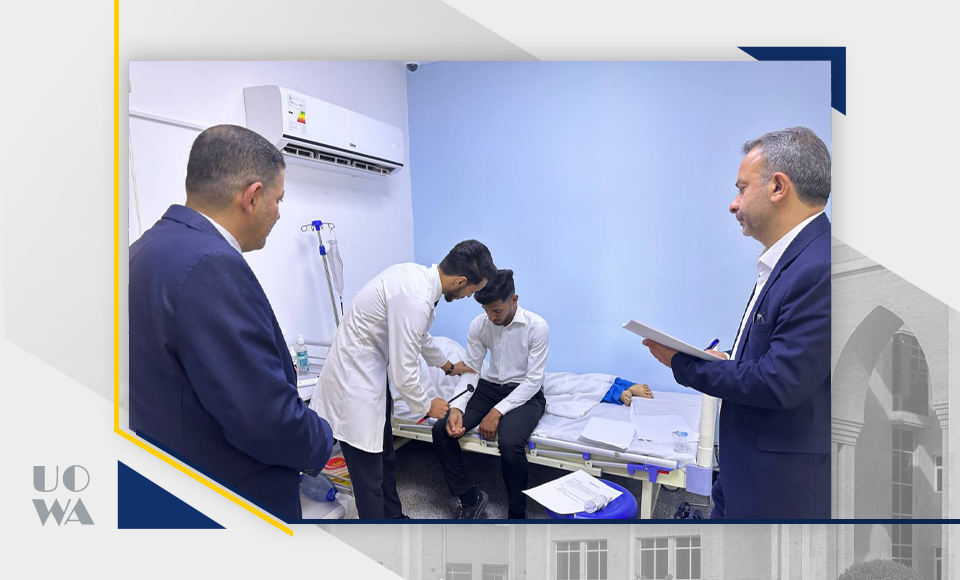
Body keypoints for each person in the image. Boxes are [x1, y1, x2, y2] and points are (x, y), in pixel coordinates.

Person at [129, 124, 333, 521]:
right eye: (278, 199)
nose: (279, 212)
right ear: (252, 197)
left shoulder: (144, 251)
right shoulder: (211, 265)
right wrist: (322, 438)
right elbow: (264, 419)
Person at [643, 126, 831, 519]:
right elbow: (776, 354)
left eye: (742, 189)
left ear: (777, 187)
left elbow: (779, 381)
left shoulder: (819, 268)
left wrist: (685, 364)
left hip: (777, 490)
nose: (733, 204)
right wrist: (727, 359)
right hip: (744, 473)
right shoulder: (790, 262)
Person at [310, 240, 496, 519]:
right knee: (369, 479)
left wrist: (448, 366)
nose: (469, 296)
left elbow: (420, 336)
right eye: (471, 290)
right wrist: (427, 405)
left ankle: (395, 520)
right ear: (460, 281)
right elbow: (403, 373)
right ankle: (378, 541)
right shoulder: (415, 297)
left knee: (385, 459)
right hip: (353, 386)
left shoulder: (417, 280)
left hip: (372, 379)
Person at [432, 269, 549, 519]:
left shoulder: (537, 327)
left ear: (514, 300)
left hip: (526, 392)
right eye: (486, 310)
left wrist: (496, 412)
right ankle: (470, 498)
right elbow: (472, 370)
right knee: (442, 429)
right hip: (490, 387)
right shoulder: (480, 324)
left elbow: (533, 381)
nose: (491, 317)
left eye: (496, 310)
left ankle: (517, 515)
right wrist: (457, 407)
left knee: (510, 443)